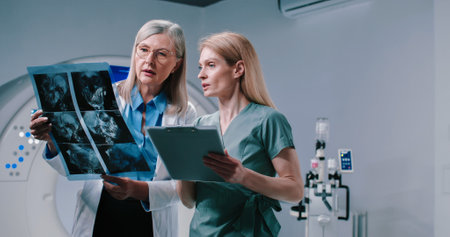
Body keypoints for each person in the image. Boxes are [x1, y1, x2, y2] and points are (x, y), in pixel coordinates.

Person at [29, 19, 196, 237]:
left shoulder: (185, 113)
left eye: (162, 54)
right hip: (100, 213)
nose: (149, 61)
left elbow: (184, 189)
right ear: (134, 53)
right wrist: (53, 141)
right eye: (143, 50)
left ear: (177, 64)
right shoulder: (103, 98)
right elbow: (77, 166)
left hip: (150, 220)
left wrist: (138, 190)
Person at [177, 32, 304, 237]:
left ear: (238, 69)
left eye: (210, 65)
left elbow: (296, 191)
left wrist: (243, 176)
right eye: (200, 67)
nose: (201, 74)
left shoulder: (268, 120)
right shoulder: (201, 124)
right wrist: (182, 171)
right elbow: (189, 200)